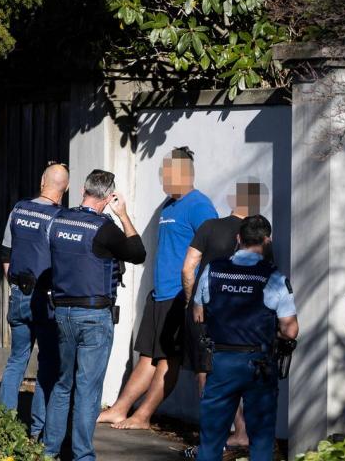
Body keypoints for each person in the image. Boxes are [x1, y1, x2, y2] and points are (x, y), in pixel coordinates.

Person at [97, 146, 217, 429]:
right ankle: (120, 409)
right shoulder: (168, 205)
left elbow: (212, 249)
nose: (163, 178)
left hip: (180, 295)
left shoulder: (199, 205)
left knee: (168, 359)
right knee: (148, 357)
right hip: (160, 294)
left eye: (169, 173)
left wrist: (197, 296)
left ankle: (143, 416)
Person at [43, 170, 146, 461]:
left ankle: (49, 451)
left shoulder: (59, 219)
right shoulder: (105, 228)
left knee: (63, 384)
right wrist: (123, 215)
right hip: (94, 315)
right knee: (88, 390)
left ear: (83, 191)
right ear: (108, 196)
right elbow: (138, 253)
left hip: (62, 312)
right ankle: (82, 456)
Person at [193, 215, 298, 461]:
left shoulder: (213, 271)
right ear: (267, 241)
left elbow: (199, 314)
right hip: (258, 364)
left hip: (220, 361)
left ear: (238, 238)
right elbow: (290, 330)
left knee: (211, 439)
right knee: (260, 440)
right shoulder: (273, 278)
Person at [181, 179, 271, 457]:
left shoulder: (209, 227)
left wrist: (192, 300)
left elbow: (188, 268)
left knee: (206, 373)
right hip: (246, 321)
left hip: (207, 312)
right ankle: (242, 433)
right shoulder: (262, 239)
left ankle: (216, 439)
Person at [0, 161, 69, 439]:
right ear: (65, 190)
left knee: (16, 359)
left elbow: (6, 253)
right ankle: (37, 430)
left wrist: (15, 286)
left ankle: (3, 425)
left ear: (42, 182)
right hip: (46, 300)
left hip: (18, 293)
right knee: (48, 365)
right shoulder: (59, 218)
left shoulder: (18, 209)